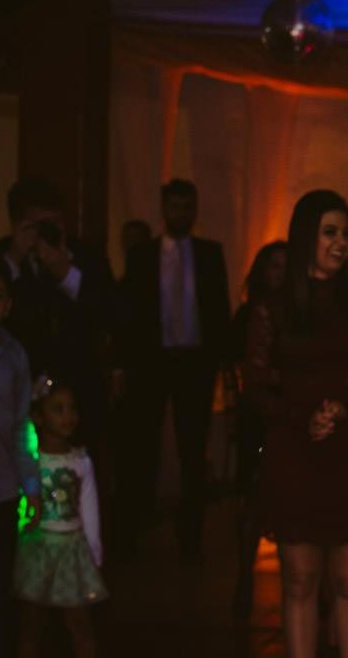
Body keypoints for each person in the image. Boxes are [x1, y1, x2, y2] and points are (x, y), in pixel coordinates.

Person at [244, 190, 348, 658]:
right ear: (305, 235)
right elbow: (253, 385)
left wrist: (345, 408)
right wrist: (301, 417)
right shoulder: (272, 306)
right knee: (299, 577)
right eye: (330, 232)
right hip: (294, 449)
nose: (341, 242)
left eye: (346, 233)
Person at [116, 178, 231, 561]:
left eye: (186, 206)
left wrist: (221, 361)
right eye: (174, 206)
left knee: (193, 449)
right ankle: (138, 526)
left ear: (193, 211)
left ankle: (191, 536)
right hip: (152, 361)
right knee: (141, 445)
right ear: (164, 210)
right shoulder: (142, 256)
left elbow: (218, 311)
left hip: (195, 362)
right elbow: (129, 315)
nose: (180, 213)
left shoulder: (210, 253)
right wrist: (126, 364)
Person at [0, 178, 116, 457]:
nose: (47, 233)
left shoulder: (87, 256)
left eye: (55, 223)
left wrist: (65, 272)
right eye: (38, 225)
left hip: (79, 396)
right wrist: (14, 259)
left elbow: (111, 313)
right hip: (16, 392)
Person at [14, 376, 107, 658]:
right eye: (58, 409)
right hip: (38, 550)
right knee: (31, 624)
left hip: (71, 552)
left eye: (71, 408)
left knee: (80, 623)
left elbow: (89, 508)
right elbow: (20, 506)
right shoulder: (30, 463)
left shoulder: (80, 461)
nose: (68, 416)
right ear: (38, 417)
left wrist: (95, 552)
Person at [229, 240, 288, 620]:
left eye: (286, 266)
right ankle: (243, 579)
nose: (280, 274)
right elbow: (243, 369)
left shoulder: (304, 313)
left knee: (292, 499)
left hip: (292, 415)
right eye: (274, 266)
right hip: (259, 416)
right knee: (254, 497)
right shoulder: (249, 315)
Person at [0, 257, 38, 653]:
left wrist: (31, 486)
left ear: (8, 305)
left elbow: (21, 427)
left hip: (1, 493)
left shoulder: (16, 357)